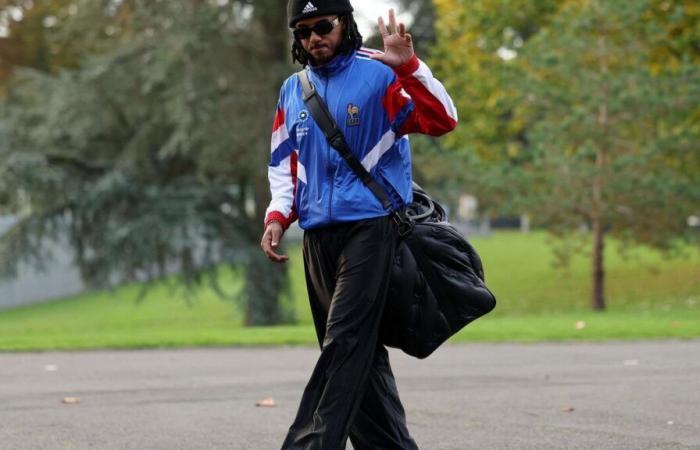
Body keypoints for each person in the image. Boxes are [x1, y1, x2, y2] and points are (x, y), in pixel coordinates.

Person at [260, 1, 458, 448]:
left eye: (324, 26)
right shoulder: (293, 89)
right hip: (318, 238)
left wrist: (409, 68)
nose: (315, 37)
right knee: (359, 358)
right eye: (304, 30)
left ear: (345, 24)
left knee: (344, 343)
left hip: (372, 229)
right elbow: (284, 164)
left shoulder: (382, 73)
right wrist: (277, 216)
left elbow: (442, 119)